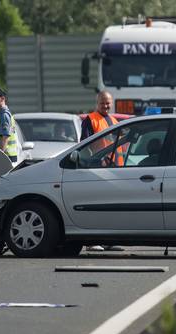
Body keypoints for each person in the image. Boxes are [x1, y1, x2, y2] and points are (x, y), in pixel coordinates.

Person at [81, 91, 124, 252]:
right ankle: (92, 241)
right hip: (97, 170)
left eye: (108, 103)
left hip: (115, 171)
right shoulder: (90, 120)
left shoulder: (113, 120)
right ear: (97, 103)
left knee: (111, 208)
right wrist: (97, 161)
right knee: (96, 207)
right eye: (102, 103)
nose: (105, 106)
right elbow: (85, 146)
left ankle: (109, 241)